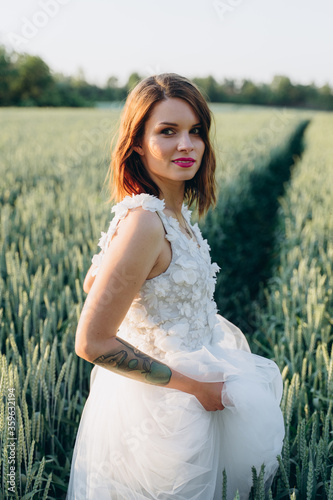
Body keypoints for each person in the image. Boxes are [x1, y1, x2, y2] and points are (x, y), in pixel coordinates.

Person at [66, 73, 285, 500]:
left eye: (195, 131)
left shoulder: (169, 216)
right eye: (167, 132)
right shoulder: (144, 223)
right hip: (161, 412)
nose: (186, 145)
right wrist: (199, 389)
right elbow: (91, 342)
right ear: (137, 143)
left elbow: (101, 282)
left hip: (193, 387)